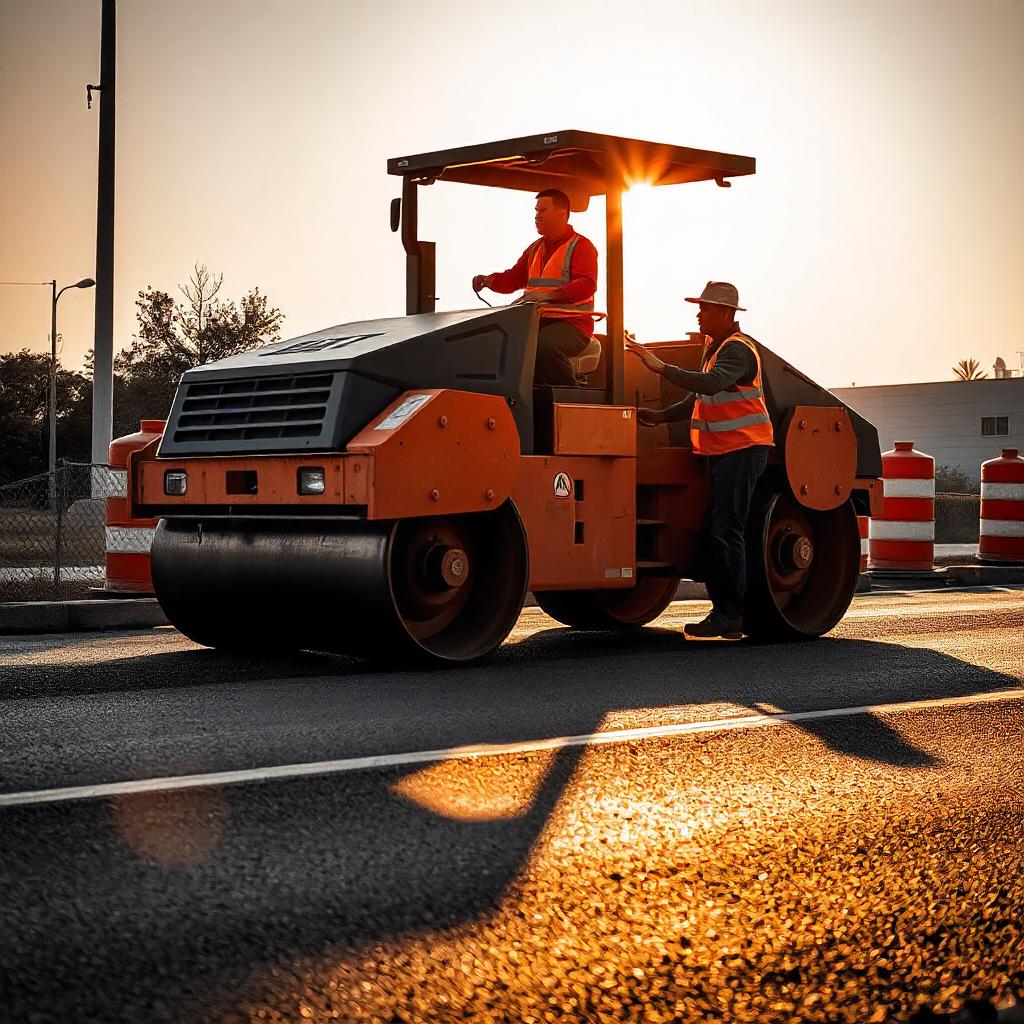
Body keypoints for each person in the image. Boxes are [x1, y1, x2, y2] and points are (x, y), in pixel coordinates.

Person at [626, 281, 774, 639]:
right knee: (719, 529)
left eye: (705, 308)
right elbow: (699, 397)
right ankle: (726, 612)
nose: (698, 313)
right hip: (724, 450)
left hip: (743, 448)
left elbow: (710, 385)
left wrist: (659, 367)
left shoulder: (737, 350)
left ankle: (730, 614)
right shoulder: (715, 346)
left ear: (725, 314)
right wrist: (659, 417)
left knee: (727, 529)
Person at [472, 189, 598, 386]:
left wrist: (550, 296)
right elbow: (513, 279)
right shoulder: (534, 249)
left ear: (562, 212)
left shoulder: (581, 246)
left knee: (541, 346)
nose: (537, 216)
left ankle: (571, 400)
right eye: (536, 210)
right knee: (499, 342)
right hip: (536, 322)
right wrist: (489, 280)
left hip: (573, 326)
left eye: (543, 210)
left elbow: (587, 285)